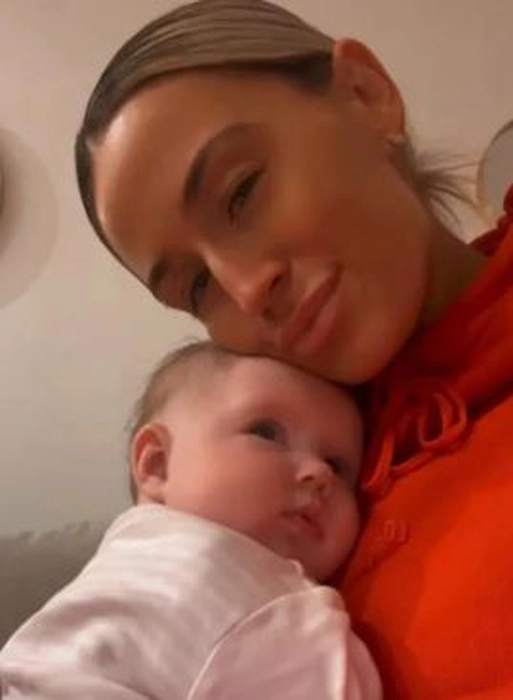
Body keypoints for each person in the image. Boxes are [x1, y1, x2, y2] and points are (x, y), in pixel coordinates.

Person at [74, 0, 513, 696]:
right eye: (196, 288)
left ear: (366, 95)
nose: (248, 290)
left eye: (242, 192)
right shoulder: (266, 508)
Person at [0, 342, 381, 699]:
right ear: (157, 464)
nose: (319, 473)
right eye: (267, 433)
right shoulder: (244, 587)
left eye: (338, 465)